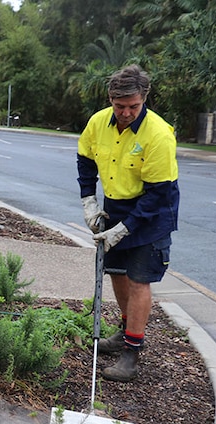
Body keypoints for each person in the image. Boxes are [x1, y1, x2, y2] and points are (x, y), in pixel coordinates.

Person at [77, 64, 179, 382]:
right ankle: (125, 332)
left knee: (138, 280)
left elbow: (158, 194)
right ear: (110, 99)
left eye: (133, 106)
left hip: (152, 211)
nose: (126, 113)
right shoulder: (97, 123)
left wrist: (125, 229)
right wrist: (89, 201)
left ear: (144, 98)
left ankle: (131, 354)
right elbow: (85, 159)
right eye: (119, 106)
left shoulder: (158, 134)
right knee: (118, 274)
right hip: (116, 205)